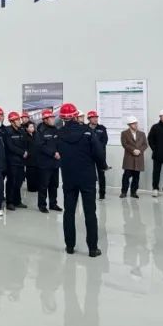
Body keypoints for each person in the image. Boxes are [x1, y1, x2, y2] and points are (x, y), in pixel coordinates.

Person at [56, 103, 105, 256]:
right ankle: (92, 248)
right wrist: (102, 166)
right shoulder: (87, 131)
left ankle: (70, 246)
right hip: (87, 177)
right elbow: (98, 153)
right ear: (75, 116)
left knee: (69, 212)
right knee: (90, 212)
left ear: (62, 118)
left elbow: (57, 152)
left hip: (69, 177)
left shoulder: (59, 134)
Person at [33, 109, 62, 212]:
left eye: (53, 117)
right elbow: (41, 146)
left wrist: (59, 152)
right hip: (44, 163)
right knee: (43, 185)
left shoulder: (55, 129)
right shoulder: (40, 131)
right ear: (45, 119)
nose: (53, 119)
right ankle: (42, 205)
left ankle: (53, 204)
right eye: (51, 118)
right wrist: (53, 153)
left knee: (54, 185)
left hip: (55, 163)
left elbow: (59, 143)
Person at [3, 111, 29, 209]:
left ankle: (17, 201)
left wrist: (26, 151)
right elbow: (10, 146)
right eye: (17, 120)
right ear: (12, 121)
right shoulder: (7, 131)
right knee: (11, 182)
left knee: (19, 181)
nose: (19, 121)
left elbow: (25, 144)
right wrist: (22, 152)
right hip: (12, 161)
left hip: (21, 161)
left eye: (19, 119)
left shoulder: (22, 130)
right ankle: (9, 202)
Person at [119, 117, 148, 198]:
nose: (135, 125)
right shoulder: (124, 133)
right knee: (126, 176)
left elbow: (145, 144)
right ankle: (124, 192)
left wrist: (140, 150)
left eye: (136, 123)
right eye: (133, 123)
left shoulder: (142, 134)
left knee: (136, 176)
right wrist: (133, 150)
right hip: (129, 157)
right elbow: (124, 144)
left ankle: (133, 192)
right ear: (129, 125)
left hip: (139, 158)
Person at [86, 111, 109, 200]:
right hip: (88, 155)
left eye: (96, 117)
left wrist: (97, 149)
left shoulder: (102, 128)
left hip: (100, 155)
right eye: (93, 117)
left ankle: (102, 194)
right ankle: (90, 192)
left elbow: (104, 141)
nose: (95, 119)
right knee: (89, 175)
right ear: (89, 119)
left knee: (101, 174)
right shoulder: (85, 128)